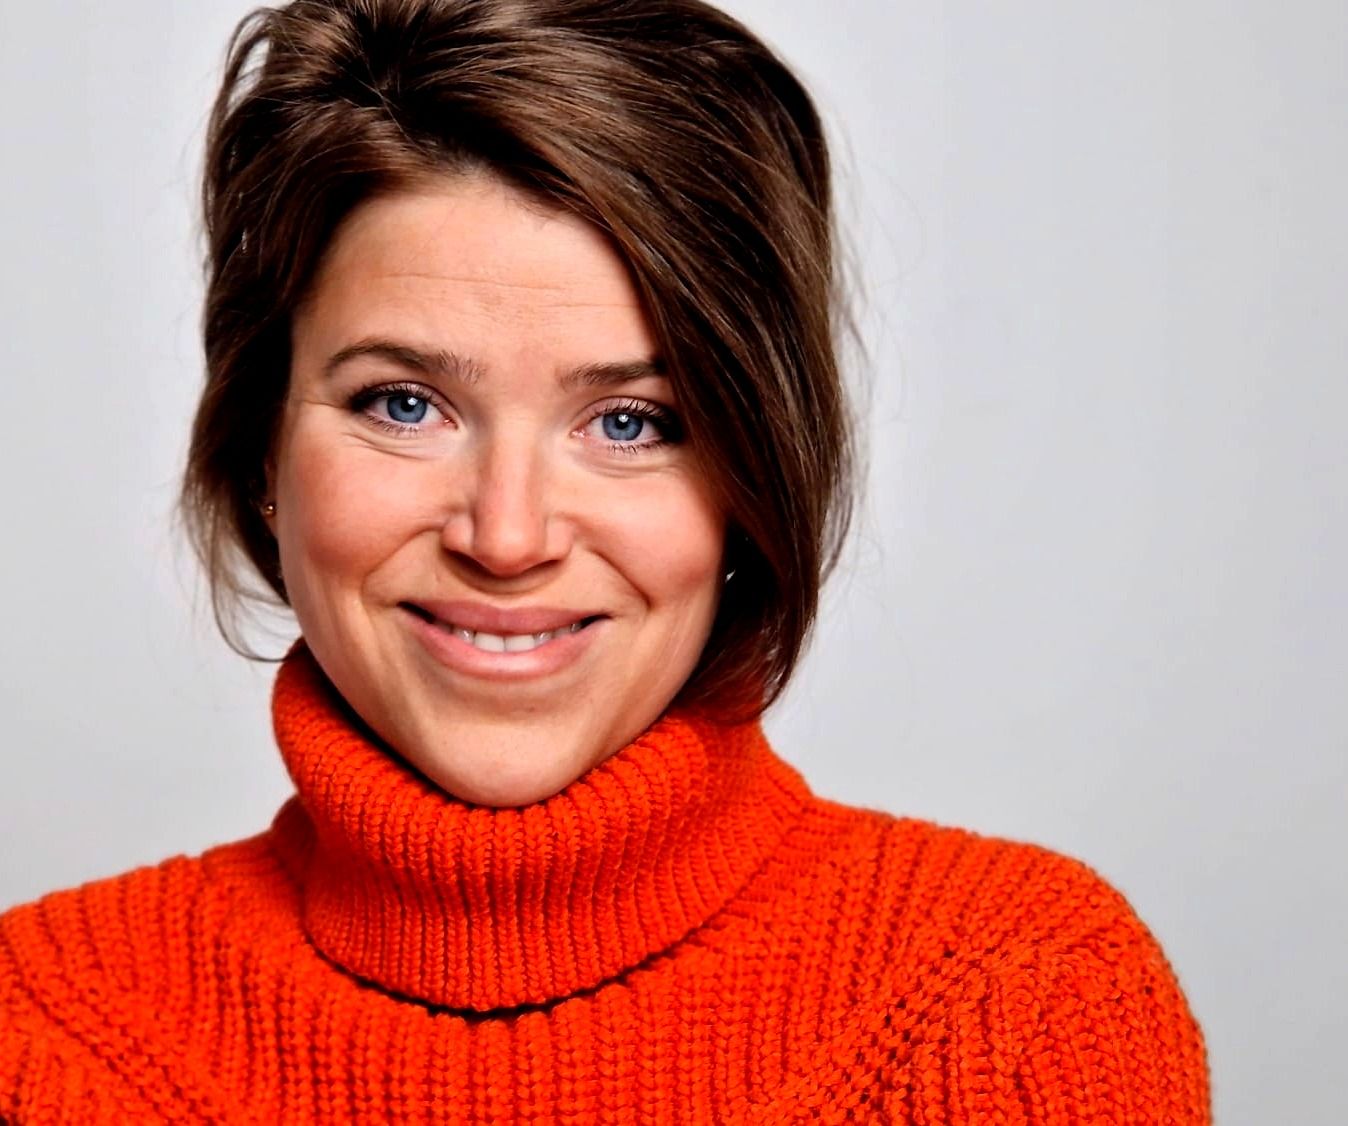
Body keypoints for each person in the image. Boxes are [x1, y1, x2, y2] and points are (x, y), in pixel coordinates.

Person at [0, 0, 1210, 1121]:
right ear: (262, 448)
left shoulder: (1015, 1004)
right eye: (403, 403)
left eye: (629, 422)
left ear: (750, 479)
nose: (507, 536)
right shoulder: (42, 1034)